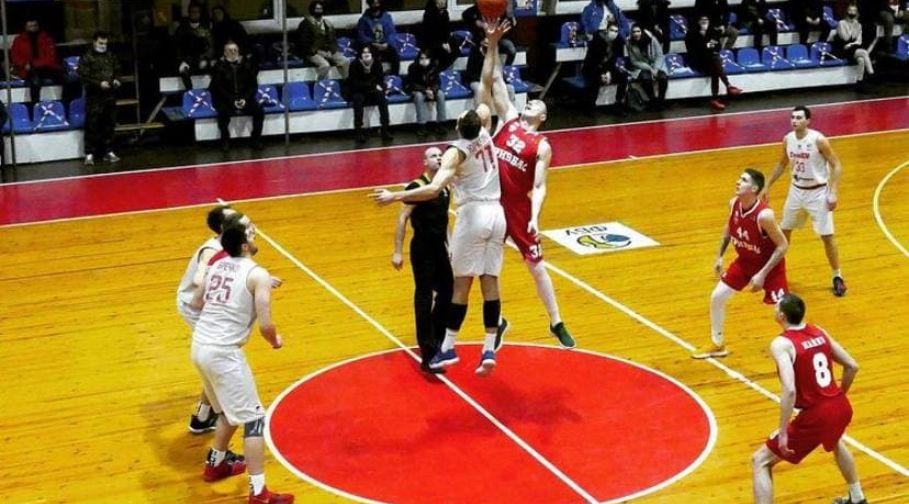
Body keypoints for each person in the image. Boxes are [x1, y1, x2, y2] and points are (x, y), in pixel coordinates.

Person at [372, 23, 509, 376]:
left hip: (474, 214)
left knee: (460, 284)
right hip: (499, 214)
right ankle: (489, 347)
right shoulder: (486, 134)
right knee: (490, 281)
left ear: (457, 129)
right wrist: (492, 44)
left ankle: (447, 346)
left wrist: (394, 195)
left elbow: (433, 190)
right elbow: (486, 82)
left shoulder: (456, 152)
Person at [478, 19, 576, 349]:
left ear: (543, 117)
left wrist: (535, 217)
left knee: (536, 266)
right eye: (530, 101)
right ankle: (498, 321)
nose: (531, 102)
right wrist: (493, 43)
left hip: (518, 206)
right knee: (486, 267)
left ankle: (556, 321)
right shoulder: (508, 120)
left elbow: (541, 186)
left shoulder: (541, 145)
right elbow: (495, 80)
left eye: (537, 104)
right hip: (492, 202)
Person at [191, 223, 294, 504]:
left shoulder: (217, 265)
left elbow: (197, 301)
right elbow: (266, 325)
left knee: (227, 411)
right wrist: (275, 341)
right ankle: (259, 493)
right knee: (254, 419)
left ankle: (216, 464)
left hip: (199, 346)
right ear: (245, 246)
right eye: (250, 234)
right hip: (223, 353)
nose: (254, 234)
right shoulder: (257, 274)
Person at [751, 293, 866, 504]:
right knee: (836, 440)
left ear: (781, 316)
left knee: (760, 460)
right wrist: (837, 397)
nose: (774, 309)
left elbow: (789, 390)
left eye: (776, 307)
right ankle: (857, 497)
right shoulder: (819, 331)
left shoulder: (782, 344)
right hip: (840, 406)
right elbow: (852, 366)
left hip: (817, 414)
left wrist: (783, 432)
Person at [693, 169, 788, 359]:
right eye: (739, 178)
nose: (738, 181)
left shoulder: (764, 215)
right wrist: (720, 256)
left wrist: (762, 274)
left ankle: (799, 344)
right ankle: (717, 344)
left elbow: (783, 245)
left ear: (754, 188)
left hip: (769, 268)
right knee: (717, 297)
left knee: (783, 312)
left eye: (743, 180)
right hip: (745, 262)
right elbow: (729, 228)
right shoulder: (734, 203)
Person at [761, 106, 847, 297]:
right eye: (792, 117)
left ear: (808, 121)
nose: (794, 120)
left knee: (827, 236)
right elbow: (782, 163)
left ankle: (837, 276)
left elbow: (836, 165)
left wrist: (833, 192)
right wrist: (767, 185)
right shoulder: (788, 139)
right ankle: (773, 270)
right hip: (796, 191)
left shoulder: (818, 140)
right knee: (783, 232)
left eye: (799, 117)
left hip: (818, 193)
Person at [391, 147, 453, 374]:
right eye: (433, 156)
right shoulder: (416, 187)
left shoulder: (444, 186)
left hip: (439, 248)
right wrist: (397, 251)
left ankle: (436, 337)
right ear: (424, 162)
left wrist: (450, 244)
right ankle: (428, 354)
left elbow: (445, 219)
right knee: (424, 297)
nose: (438, 158)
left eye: (440, 155)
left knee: (448, 292)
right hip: (422, 248)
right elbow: (402, 218)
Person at [177, 205, 235, 434]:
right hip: (194, 306)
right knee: (216, 358)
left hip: (207, 306)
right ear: (222, 227)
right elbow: (201, 278)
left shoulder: (230, 244)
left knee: (216, 358)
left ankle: (203, 415)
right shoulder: (211, 250)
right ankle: (207, 414)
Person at [209, 42, 264, 152]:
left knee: (259, 111)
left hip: (245, 98)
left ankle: (256, 139)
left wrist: (245, 99)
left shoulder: (247, 65)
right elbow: (218, 88)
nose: (233, 52)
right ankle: (225, 140)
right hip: (226, 99)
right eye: (230, 50)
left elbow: (253, 86)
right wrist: (232, 100)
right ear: (225, 53)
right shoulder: (218, 67)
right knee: (222, 113)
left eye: (235, 50)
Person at [77, 31, 121, 167]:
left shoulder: (111, 56)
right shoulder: (87, 57)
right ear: (94, 42)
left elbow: (117, 70)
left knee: (109, 125)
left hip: (110, 96)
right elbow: (83, 76)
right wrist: (98, 84)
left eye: (105, 43)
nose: (103, 46)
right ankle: (89, 153)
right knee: (92, 125)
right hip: (94, 97)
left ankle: (109, 151)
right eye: (101, 43)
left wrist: (116, 80)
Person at [685, 15, 743, 111]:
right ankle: (728, 86)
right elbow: (695, 50)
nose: (704, 22)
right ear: (698, 22)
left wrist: (707, 47)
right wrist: (708, 46)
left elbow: (717, 46)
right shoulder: (691, 34)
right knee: (715, 61)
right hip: (697, 61)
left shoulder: (712, 32)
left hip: (710, 60)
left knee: (715, 67)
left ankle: (716, 98)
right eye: (702, 20)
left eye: (706, 20)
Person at [10, 18, 63, 110]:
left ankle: (65, 106)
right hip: (28, 70)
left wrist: (33, 64)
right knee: (35, 81)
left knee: (66, 79)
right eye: (30, 26)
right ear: (26, 27)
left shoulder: (46, 38)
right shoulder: (19, 40)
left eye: (35, 26)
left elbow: (51, 57)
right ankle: (35, 109)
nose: (33, 28)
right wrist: (24, 64)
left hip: (46, 67)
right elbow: (15, 57)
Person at [347, 46, 393, 143]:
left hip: (372, 90)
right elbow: (354, 83)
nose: (366, 54)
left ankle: (385, 129)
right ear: (360, 54)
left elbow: (380, 80)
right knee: (358, 100)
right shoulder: (354, 64)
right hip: (359, 90)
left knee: (383, 99)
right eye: (364, 52)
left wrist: (381, 87)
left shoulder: (377, 63)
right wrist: (372, 85)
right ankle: (358, 131)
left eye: (368, 52)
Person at [297, 0, 350, 80]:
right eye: (317, 9)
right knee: (325, 65)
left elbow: (333, 41)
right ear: (312, 10)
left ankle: (346, 83)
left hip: (328, 51)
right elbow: (304, 44)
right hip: (312, 53)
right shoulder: (305, 24)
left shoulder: (327, 23)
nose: (319, 11)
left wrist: (331, 51)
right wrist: (319, 52)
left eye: (320, 9)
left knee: (345, 61)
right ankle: (320, 84)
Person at [581, 23, 627, 113]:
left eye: (616, 31)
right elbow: (592, 61)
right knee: (594, 79)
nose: (614, 33)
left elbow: (618, 59)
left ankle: (618, 104)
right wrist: (602, 73)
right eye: (612, 30)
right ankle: (591, 107)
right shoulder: (597, 40)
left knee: (623, 77)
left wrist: (609, 72)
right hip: (592, 68)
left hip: (610, 68)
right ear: (607, 30)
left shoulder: (619, 41)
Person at [405, 50, 447, 137]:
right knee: (419, 96)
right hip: (417, 90)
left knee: (440, 94)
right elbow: (411, 84)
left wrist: (433, 90)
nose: (424, 60)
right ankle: (421, 125)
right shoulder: (413, 67)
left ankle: (441, 123)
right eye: (422, 58)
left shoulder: (434, 67)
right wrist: (425, 90)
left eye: (426, 58)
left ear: (430, 59)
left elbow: (437, 82)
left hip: (430, 89)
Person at [626, 24, 668, 108]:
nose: (636, 34)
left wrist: (656, 68)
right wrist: (649, 69)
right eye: (634, 32)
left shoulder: (652, 39)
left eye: (638, 31)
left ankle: (661, 100)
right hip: (641, 66)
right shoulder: (629, 42)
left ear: (642, 32)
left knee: (663, 77)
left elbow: (659, 55)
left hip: (656, 64)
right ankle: (652, 100)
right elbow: (634, 61)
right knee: (646, 78)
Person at [174, 2, 214, 90]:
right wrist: (182, 60)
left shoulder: (205, 30)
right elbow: (177, 47)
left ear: (200, 14)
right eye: (192, 12)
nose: (195, 14)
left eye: (197, 12)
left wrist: (205, 59)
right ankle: (190, 91)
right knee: (183, 71)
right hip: (187, 60)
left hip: (201, 60)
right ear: (189, 13)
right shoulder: (182, 29)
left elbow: (211, 46)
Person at [833, 5, 874, 91]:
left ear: (857, 13)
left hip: (853, 47)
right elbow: (845, 38)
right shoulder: (841, 23)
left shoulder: (858, 25)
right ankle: (871, 73)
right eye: (850, 10)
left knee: (861, 60)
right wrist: (851, 26)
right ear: (847, 12)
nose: (852, 12)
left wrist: (851, 44)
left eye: (854, 11)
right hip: (842, 48)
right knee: (864, 52)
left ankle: (860, 83)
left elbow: (859, 41)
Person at [357, 0, 401, 76]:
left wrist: (387, 43)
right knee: (371, 58)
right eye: (374, 3)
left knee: (395, 57)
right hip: (371, 44)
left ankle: (394, 77)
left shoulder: (387, 17)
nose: (376, 5)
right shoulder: (363, 19)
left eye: (377, 3)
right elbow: (361, 35)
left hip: (385, 44)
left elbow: (392, 32)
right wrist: (373, 43)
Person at [419, 0, 459, 70]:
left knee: (455, 48)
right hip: (431, 42)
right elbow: (430, 33)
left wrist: (446, 42)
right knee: (442, 52)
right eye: (441, 0)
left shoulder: (445, 13)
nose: (444, 2)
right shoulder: (429, 14)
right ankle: (438, 70)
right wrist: (442, 44)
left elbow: (446, 29)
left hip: (443, 40)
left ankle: (445, 69)